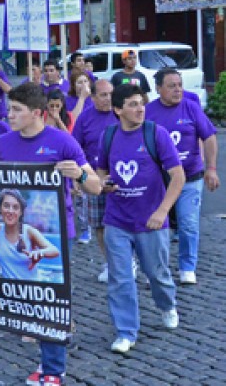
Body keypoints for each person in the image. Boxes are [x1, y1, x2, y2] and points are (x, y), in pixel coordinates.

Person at [0, 82, 101, 385]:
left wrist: (80, 174)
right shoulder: (4, 143)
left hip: (57, 233)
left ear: (37, 113)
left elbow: (96, 186)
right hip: (13, 232)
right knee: (30, 300)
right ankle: (47, 358)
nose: (10, 115)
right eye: (9, 109)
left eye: (17, 110)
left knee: (51, 298)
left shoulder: (62, 142)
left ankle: (53, 370)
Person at [97, 83, 185, 354]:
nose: (140, 108)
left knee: (156, 274)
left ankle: (167, 305)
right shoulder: (108, 136)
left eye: (141, 103)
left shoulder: (155, 134)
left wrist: (161, 212)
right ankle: (126, 331)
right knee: (120, 278)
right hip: (116, 220)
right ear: (118, 109)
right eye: (133, 104)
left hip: (151, 221)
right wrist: (105, 183)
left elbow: (178, 177)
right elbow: (100, 171)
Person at [145, 68, 219, 284]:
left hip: (190, 176)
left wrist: (212, 169)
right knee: (157, 226)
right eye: (172, 85)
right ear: (159, 89)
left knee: (188, 223)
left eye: (180, 84)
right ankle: (157, 269)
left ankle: (187, 267)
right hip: (159, 181)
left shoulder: (191, 108)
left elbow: (210, 137)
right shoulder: (148, 112)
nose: (178, 89)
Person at [71, 80, 121, 280]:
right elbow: (75, 147)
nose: (108, 98)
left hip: (121, 176)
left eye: (111, 93)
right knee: (99, 225)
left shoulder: (120, 113)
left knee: (122, 224)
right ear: (93, 98)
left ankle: (127, 261)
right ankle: (110, 262)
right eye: (103, 95)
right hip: (94, 178)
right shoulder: (85, 118)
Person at [0, 189, 61, 281]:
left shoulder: (28, 231)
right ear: (0, 209)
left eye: (15, 207)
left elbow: (54, 251)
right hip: (9, 289)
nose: (10, 211)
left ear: (21, 212)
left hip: (31, 288)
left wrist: (39, 253)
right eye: (6, 206)